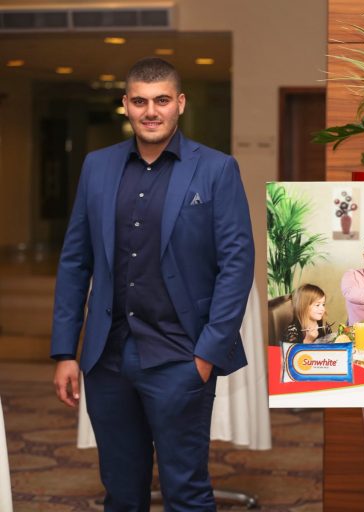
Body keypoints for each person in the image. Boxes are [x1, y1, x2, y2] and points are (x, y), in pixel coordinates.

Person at [50, 57, 255, 511]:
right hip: (107, 360)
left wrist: (206, 355)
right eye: (140, 101)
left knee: (186, 493)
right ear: (126, 104)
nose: (150, 111)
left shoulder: (216, 169)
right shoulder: (97, 167)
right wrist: (65, 351)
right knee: (122, 494)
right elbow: (75, 261)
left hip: (180, 358)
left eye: (161, 100)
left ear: (180, 103)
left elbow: (237, 266)